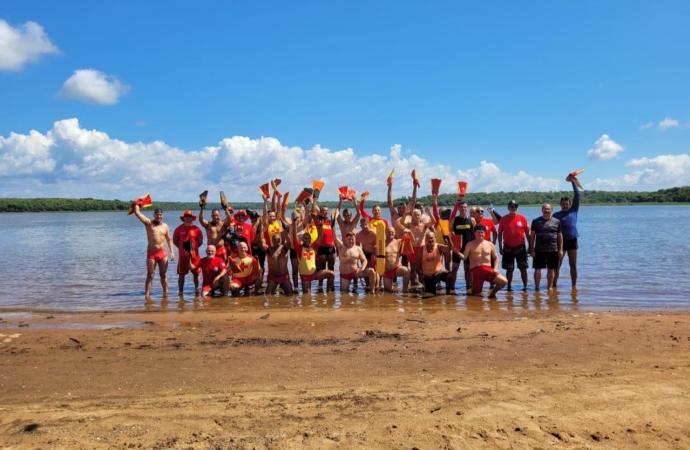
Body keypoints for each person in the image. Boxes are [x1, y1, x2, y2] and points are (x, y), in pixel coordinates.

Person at [132, 205, 175, 298]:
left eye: (160, 215)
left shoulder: (165, 226)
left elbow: (169, 239)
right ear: (154, 215)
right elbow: (137, 213)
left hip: (163, 253)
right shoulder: (149, 223)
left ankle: (166, 294)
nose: (159, 216)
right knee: (150, 275)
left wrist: (172, 252)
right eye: (157, 215)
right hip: (152, 253)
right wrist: (136, 205)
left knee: (163, 275)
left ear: (162, 215)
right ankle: (147, 295)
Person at [463, 225, 507, 298]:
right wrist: (455, 250)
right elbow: (464, 257)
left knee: (504, 281)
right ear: (474, 233)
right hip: (476, 271)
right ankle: (470, 292)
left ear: (485, 233)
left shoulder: (490, 244)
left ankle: (492, 294)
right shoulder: (470, 244)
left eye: (482, 232)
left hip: (488, 270)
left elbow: (496, 258)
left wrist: (496, 268)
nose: (480, 234)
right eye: (478, 232)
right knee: (476, 296)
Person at [553, 175, 581, 289]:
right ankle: (553, 285)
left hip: (572, 241)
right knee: (557, 265)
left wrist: (573, 182)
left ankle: (574, 287)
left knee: (573, 265)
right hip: (560, 242)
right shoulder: (556, 215)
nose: (565, 205)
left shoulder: (574, 211)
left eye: (567, 204)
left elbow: (577, 195)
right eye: (563, 204)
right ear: (560, 205)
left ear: (570, 204)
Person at [529, 203, 563, 291]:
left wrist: (561, 249)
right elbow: (532, 236)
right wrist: (531, 248)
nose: (546, 210)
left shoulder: (557, 221)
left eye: (548, 209)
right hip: (539, 250)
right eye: (545, 209)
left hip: (553, 249)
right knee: (537, 269)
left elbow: (559, 236)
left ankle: (550, 287)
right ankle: (537, 287)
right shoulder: (535, 221)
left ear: (551, 210)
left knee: (551, 269)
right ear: (542, 210)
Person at [291, 224, 334, 294]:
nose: (307, 240)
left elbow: (320, 236)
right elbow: (294, 237)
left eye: (308, 238)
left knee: (331, 274)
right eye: (305, 238)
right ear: (302, 239)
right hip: (305, 276)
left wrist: (319, 224)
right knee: (307, 295)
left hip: (314, 274)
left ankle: (329, 293)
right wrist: (295, 223)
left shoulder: (314, 247)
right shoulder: (299, 248)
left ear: (310, 240)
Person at [497, 200, 530, 291]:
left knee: (523, 268)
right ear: (508, 208)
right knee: (509, 269)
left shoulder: (522, 218)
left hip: (520, 247)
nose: (513, 208)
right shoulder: (503, 219)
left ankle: (525, 287)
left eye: (515, 206)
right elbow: (499, 234)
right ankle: (509, 287)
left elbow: (527, 233)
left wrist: (530, 246)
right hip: (507, 247)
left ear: (517, 207)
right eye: (511, 206)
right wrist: (500, 247)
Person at [173, 210, 203, 295]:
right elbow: (175, 241)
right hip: (183, 256)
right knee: (181, 275)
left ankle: (197, 290)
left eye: (190, 217)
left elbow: (200, 241)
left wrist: (194, 249)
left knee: (196, 274)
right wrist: (182, 249)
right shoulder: (178, 229)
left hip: (195, 256)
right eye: (186, 217)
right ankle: (180, 292)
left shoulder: (197, 229)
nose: (188, 218)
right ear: (184, 218)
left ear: (192, 218)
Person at [449, 200, 475, 293]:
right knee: (454, 268)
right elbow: (450, 232)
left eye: (465, 207)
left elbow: (474, 235)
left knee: (467, 269)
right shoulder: (455, 220)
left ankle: (468, 288)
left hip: (468, 248)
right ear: (459, 209)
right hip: (457, 248)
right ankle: (452, 288)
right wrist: (452, 246)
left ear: (467, 208)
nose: (463, 209)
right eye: (461, 207)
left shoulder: (471, 220)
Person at [420, 231, 456, 295]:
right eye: (428, 238)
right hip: (427, 276)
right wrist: (421, 276)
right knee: (430, 296)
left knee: (450, 275)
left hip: (437, 274)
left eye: (432, 238)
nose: (430, 240)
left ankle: (448, 293)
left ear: (435, 238)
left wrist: (450, 239)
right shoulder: (422, 249)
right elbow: (417, 264)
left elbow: (449, 249)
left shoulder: (439, 247)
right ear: (425, 239)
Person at [382, 227, 410, 293]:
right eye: (388, 232)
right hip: (387, 270)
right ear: (385, 233)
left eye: (392, 232)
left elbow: (409, 240)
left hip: (396, 268)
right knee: (388, 291)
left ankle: (404, 290)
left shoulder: (398, 242)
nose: (390, 233)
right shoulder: (382, 243)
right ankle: (394, 288)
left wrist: (407, 232)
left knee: (407, 271)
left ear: (395, 233)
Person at [265, 230, 293, 295]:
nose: (277, 241)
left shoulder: (284, 248)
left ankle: (281, 291)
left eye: (278, 239)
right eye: (274, 239)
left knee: (290, 295)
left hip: (284, 276)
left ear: (281, 239)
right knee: (268, 295)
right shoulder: (269, 249)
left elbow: (289, 242)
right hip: (273, 276)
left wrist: (285, 231)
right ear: (272, 240)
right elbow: (261, 243)